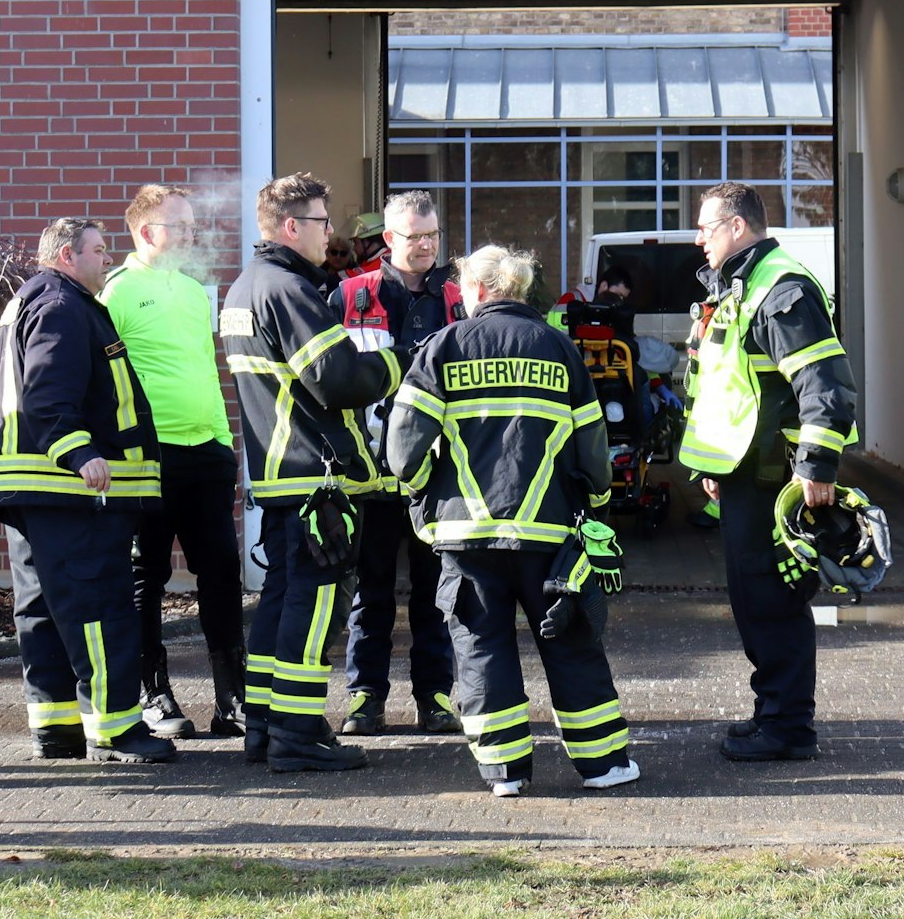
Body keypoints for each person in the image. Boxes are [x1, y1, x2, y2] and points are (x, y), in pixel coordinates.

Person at [386, 244, 638, 797]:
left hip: (465, 533)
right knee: (570, 641)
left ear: (474, 291)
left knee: (480, 646)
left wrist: (423, 494)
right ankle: (605, 767)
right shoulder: (560, 349)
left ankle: (505, 773)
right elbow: (594, 452)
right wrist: (594, 509)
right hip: (548, 533)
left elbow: (402, 450)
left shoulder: (442, 348)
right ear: (521, 290)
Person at [0, 218, 174, 765]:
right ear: (67, 255)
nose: (108, 260)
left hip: (31, 489)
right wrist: (78, 452)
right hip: (65, 489)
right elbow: (48, 389)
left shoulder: (35, 298)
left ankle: (57, 728)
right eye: (100, 251)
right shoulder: (61, 304)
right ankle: (116, 731)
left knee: (42, 607)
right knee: (98, 604)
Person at [221, 173, 402, 772]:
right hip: (312, 477)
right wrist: (391, 361)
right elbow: (339, 379)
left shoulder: (247, 287)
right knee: (313, 608)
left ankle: (267, 727)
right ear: (292, 226)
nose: (332, 233)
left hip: (280, 476)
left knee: (279, 604)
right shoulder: (288, 290)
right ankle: (297, 737)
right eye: (324, 222)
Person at [677, 182, 856, 763]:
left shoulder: (781, 288)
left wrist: (817, 467)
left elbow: (824, 385)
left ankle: (788, 728)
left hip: (775, 480)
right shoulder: (740, 286)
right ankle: (772, 714)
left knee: (775, 600)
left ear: (737, 226)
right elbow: (727, 385)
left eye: (706, 227)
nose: (698, 237)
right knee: (754, 599)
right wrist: (713, 462)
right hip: (741, 474)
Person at [102, 186, 246, 739]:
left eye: (191, 225)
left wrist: (222, 442)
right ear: (145, 232)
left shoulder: (193, 291)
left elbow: (206, 370)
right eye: (179, 226)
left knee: (222, 573)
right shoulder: (115, 292)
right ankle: (153, 694)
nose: (191, 235)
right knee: (146, 576)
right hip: (146, 459)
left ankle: (232, 698)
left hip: (205, 454)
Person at [330, 190, 461, 737]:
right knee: (371, 592)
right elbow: (326, 379)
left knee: (438, 591)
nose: (426, 245)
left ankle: (435, 696)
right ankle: (366, 697)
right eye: (414, 236)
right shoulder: (350, 295)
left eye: (432, 235)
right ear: (389, 239)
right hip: (371, 476)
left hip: (438, 472)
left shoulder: (458, 299)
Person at [337, 211, 387, 280]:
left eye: (356, 242)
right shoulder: (383, 258)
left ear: (368, 242)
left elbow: (347, 279)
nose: (354, 248)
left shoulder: (382, 264)